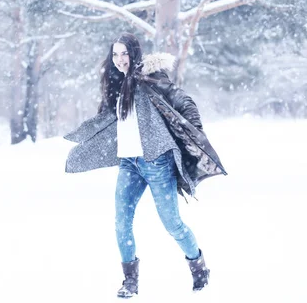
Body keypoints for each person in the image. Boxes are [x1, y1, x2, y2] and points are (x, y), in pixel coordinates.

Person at [63, 33, 227, 298]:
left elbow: (184, 101)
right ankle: (130, 281)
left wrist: (194, 132)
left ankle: (199, 268)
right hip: (128, 163)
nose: (119, 60)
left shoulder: (150, 79)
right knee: (121, 222)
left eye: (124, 54)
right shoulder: (116, 84)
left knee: (172, 223)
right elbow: (109, 120)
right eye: (115, 55)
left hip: (156, 161)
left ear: (134, 53)